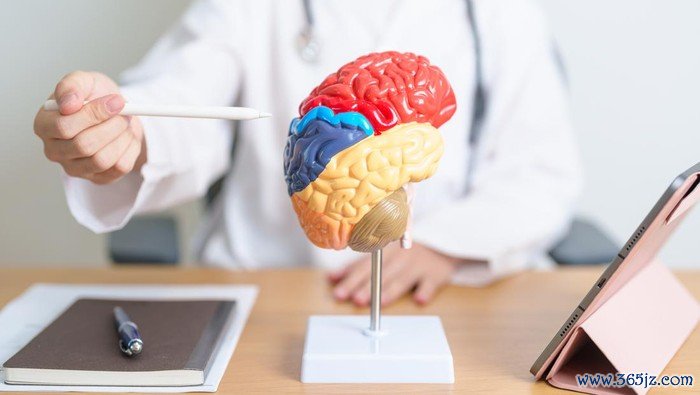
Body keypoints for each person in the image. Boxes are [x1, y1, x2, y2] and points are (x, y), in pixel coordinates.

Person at [32, 0, 582, 306]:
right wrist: (127, 131)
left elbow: (541, 171)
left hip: (444, 299)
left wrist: (445, 247)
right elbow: (184, 99)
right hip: (266, 294)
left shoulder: (499, 14)